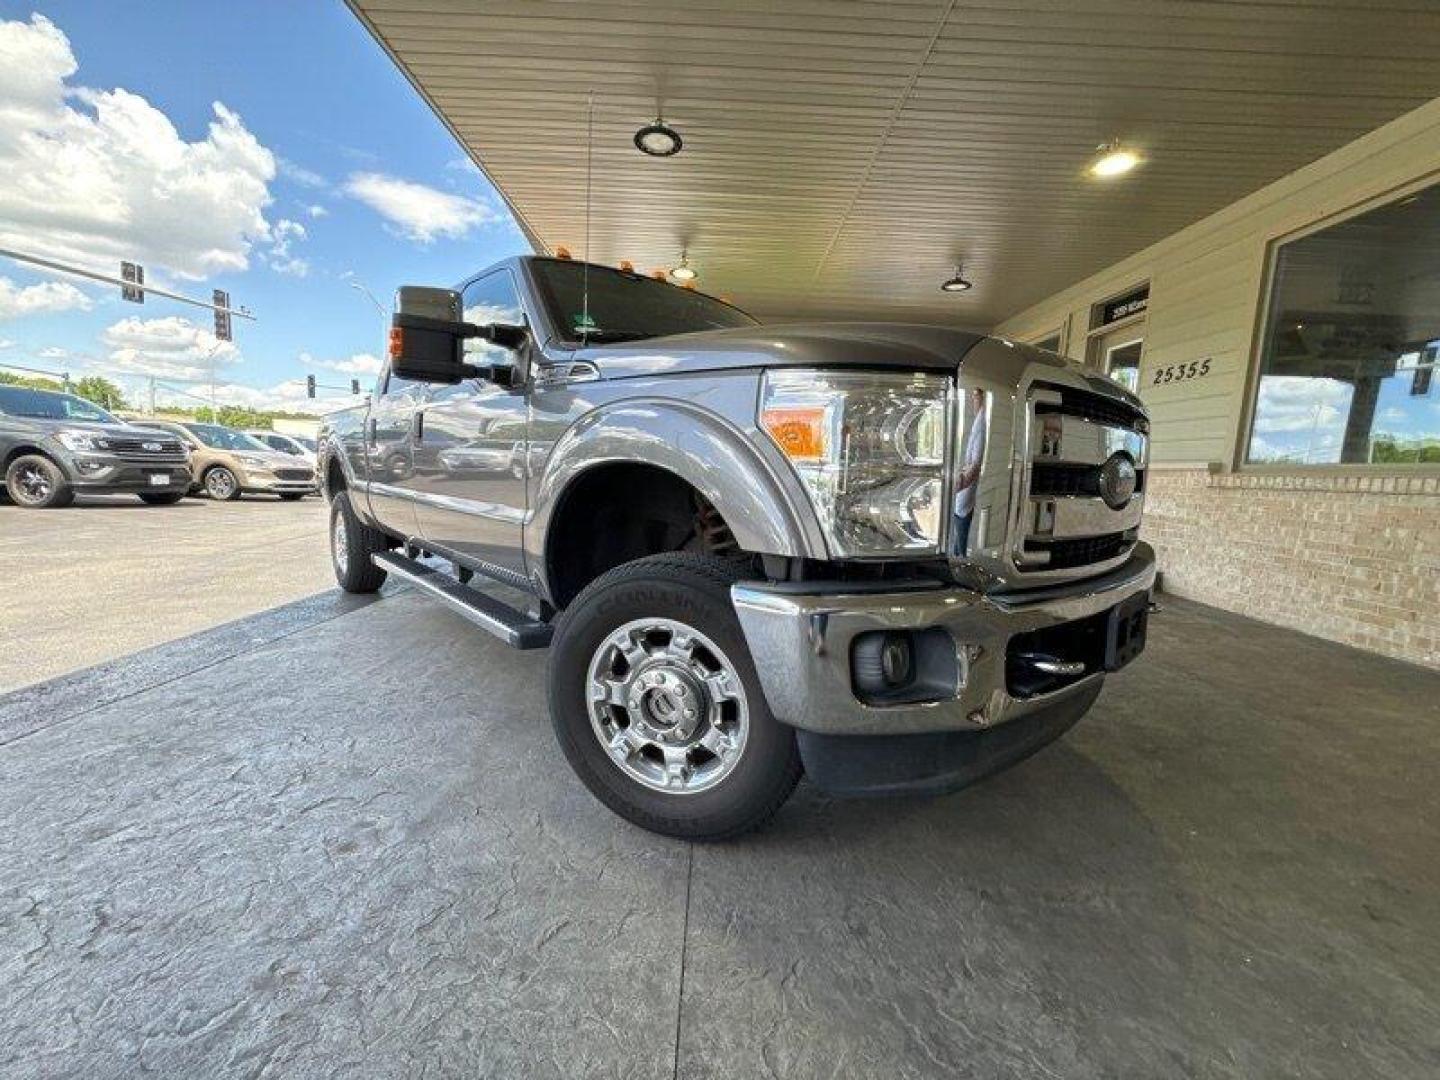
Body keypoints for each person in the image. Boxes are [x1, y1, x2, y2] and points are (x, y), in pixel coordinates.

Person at [951, 389, 987, 556]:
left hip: (963, 503)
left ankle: (961, 563)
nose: (973, 400)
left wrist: (955, 482)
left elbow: (974, 467)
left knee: (960, 544)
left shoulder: (982, 425)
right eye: (973, 397)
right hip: (961, 503)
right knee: (958, 542)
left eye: (975, 396)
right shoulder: (978, 423)